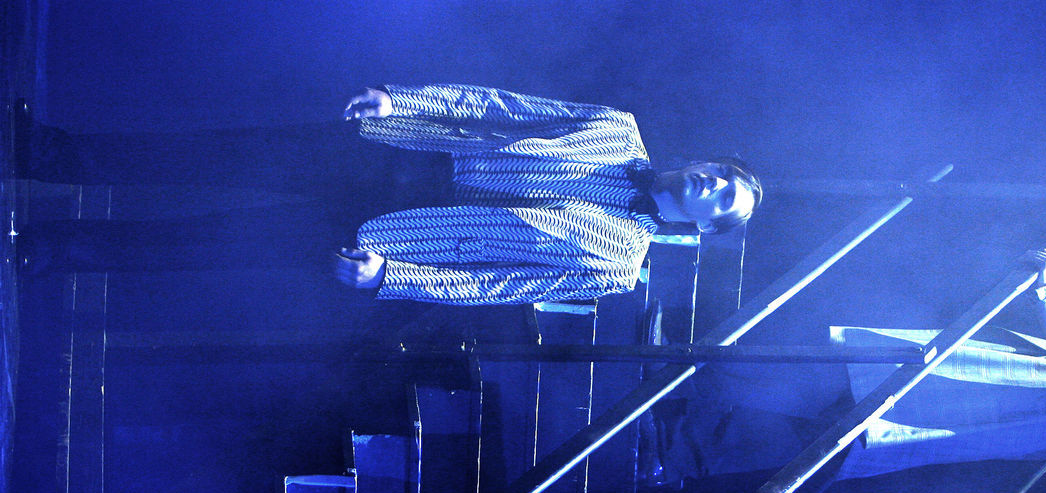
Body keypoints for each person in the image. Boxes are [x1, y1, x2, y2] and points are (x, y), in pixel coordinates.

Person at [16, 85, 762, 305]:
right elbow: (497, 107)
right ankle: (45, 152)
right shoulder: (615, 127)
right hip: (393, 154)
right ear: (705, 161)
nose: (712, 186)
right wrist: (400, 102)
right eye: (722, 174)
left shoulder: (617, 263)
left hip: (394, 235)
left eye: (721, 201)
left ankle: (50, 250)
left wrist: (393, 279)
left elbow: (493, 285)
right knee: (208, 154)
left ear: (703, 227)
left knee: (211, 243)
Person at [649, 250, 1046, 483]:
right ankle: (652, 367)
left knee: (771, 435)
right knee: (783, 374)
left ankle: (649, 452)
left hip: (938, 416)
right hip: (941, 374)